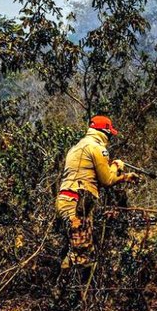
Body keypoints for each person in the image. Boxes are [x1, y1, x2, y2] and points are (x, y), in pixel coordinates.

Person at [55, 115, 138, 269]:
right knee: (83, 258)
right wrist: (117, 165)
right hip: (77, 206)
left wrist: (125, 177)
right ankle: (70, 290)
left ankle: (62, 286)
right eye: (110, 134)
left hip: (66, 201)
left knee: (73, 250)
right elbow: (107, 180)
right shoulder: (97, 148)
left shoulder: (77, 147)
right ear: (104, 132)